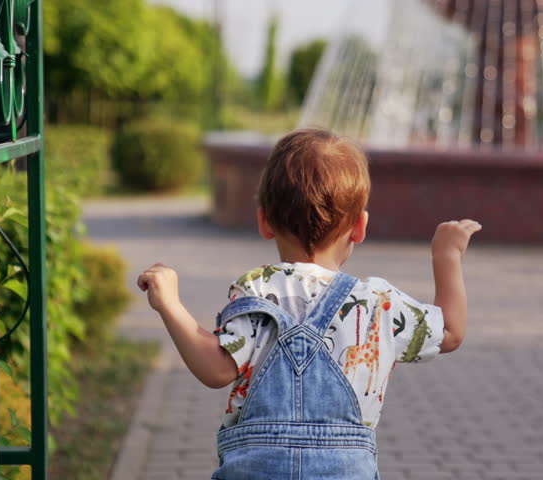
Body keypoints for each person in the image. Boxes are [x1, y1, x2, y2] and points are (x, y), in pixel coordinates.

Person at [137, 128, 481, 479]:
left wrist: (170, 305)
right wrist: (447, 255)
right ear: (360, 228)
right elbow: (450, 332)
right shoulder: (378, 302)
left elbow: (217, 369)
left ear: (264, 222)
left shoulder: (256, 289)